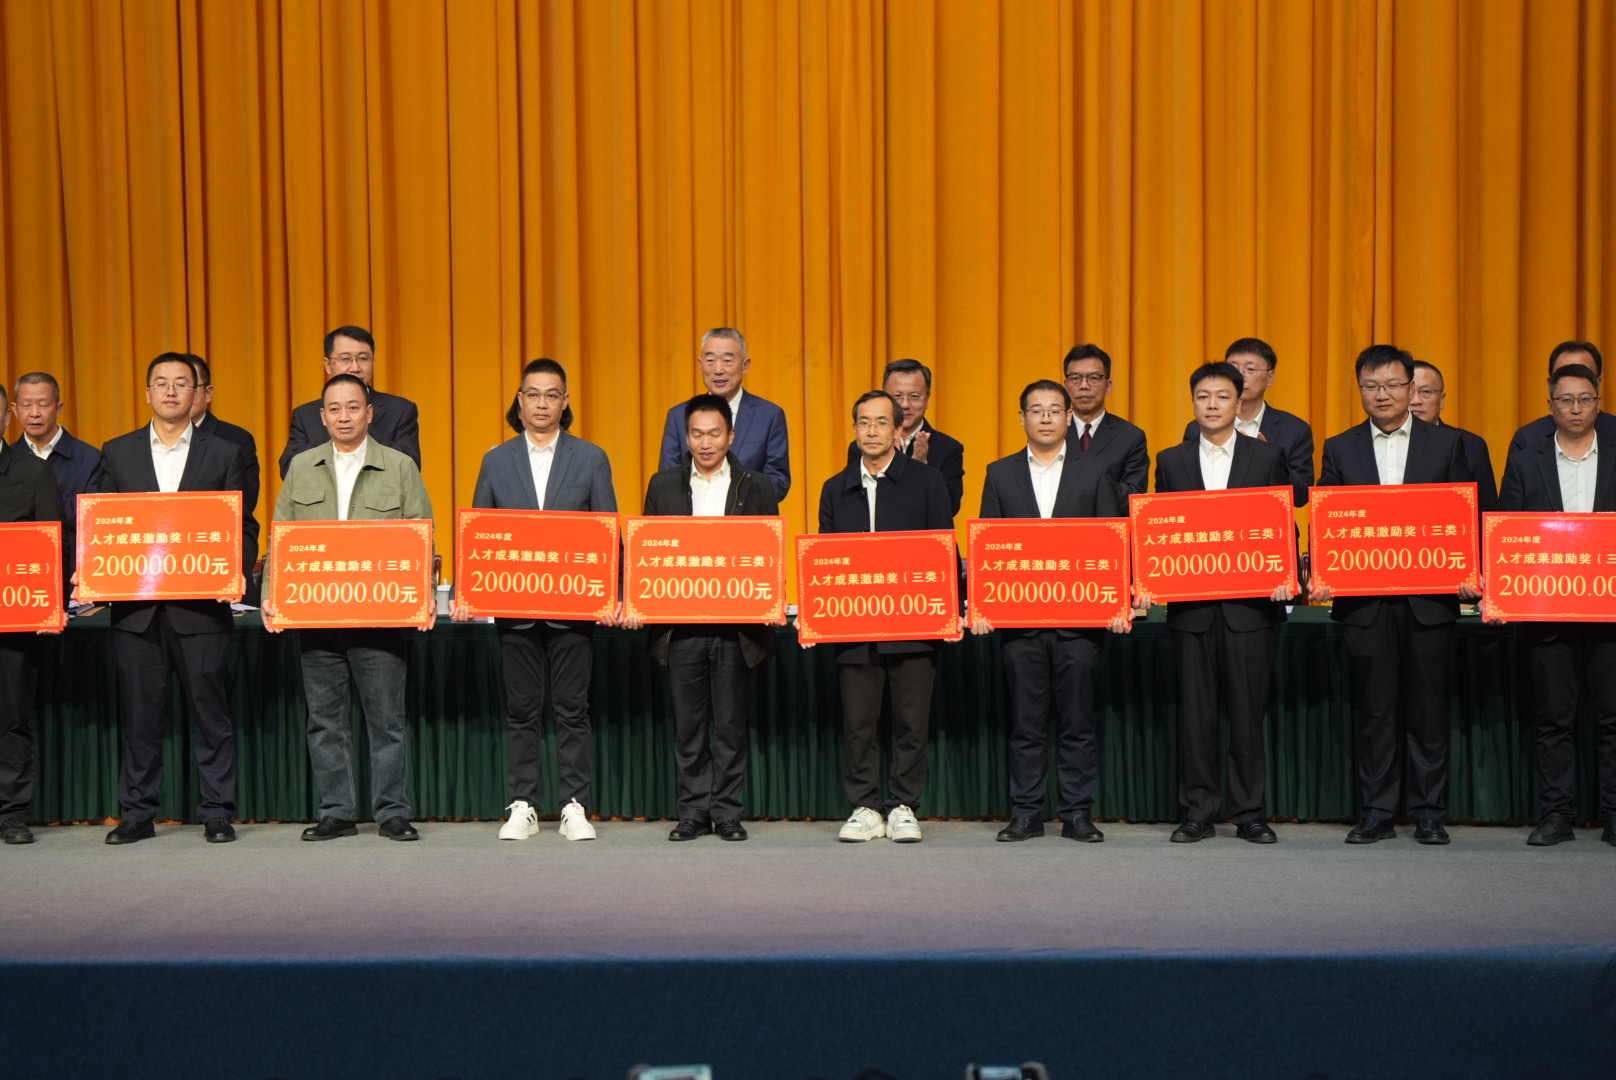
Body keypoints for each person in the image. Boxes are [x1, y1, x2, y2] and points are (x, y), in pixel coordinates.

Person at [1315, 344, 1479, 845]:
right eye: (1371, 386)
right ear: (1360, 390)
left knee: (1428, 710)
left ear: (1412, 389)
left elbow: (1467, 518)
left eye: (1391, 385)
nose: (1381, 395)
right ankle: (1377, 812)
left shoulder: (1447, 444)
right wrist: (1324, 570)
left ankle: (1429, 813)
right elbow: (1328, 522)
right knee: (1375, 712)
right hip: (1365, 606)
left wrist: (1470, 571)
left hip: (1429, 604)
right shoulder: (1340, 448)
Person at [454, 359, 617, 842]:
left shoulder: (591, 458)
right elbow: (479, 532)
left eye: (552, 394)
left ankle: (573, 805)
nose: (542, 403)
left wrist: (613, 593)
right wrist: (467, 592)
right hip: (516, 612)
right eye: (533, 394)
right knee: (522, 712)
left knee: (572, 710)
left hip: (574, 611)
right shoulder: (496, 460)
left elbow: (608, 531)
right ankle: (523, 804)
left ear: (565, 403)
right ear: (519, 402)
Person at [265, 373, 433, 842]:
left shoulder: (399, 466)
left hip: (380, 620)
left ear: (369, 413)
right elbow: (281, 538)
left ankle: (392, 812)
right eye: (335, 409)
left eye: (353, 407)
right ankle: (337, 812)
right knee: (324, 722)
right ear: (322, 417)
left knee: (387, 722)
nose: (344, 417)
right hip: (316, 618)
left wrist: (422, 596)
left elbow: (421, 537)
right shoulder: (301, 467)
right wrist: (272, 597)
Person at [92, 354, 247, 844]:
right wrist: (90, 566)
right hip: (136, 612)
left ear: (198, 392)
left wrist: (236, 569)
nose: (172, 391)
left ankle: (217, 811)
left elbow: (243, 526)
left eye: (182, 383)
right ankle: (137, 814)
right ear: (148, 394)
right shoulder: (118, 452)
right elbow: (101, 524)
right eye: (161, 383)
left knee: (211, 716)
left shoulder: (224, 452)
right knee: (140, 717)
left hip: (201, 611)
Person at [972, 379, 1129, 844]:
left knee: (1078, 722)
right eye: (1036, 410)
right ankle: (1026, 812)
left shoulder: (1096, 471)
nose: (1045, 417)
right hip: (1019, 624)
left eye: (1054, 410)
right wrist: (982, 604)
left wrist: (1117, 601)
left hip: (1080, 624)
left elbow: (1111, 540)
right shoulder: (999, 473)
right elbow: (988, 546)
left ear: (1068, 418)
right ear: (1021, 417)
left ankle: (1077, 812)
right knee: (1026, 723)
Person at [627, 393, 782, 842]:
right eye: (697, 434)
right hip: (681, 628)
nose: (706, 442)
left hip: (737, 628)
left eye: (715, 433)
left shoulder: (757, 486)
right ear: (686, 437)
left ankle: (728, 812)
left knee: (731, 724)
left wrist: (771, 596)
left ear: (731, 436)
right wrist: (638, 600)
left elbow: (767, 555)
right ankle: (693, 811)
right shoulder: (663, 485)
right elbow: (650, 554)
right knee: (689, 726)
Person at [1150, 363, 1292, 843]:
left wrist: (1284, 574)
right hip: (1191, 611)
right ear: (1192, 402)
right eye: (1203, 396)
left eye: (1222, 396)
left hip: (1249, 611)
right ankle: (1198, 811)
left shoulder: (1267, 457)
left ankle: (1249, 813)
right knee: (1197, 715)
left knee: (1248, 714)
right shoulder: (1171, 461)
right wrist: (1149, 577)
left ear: (1240, 401)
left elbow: (1281, 524)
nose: (1212, 405)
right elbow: (1161, 531)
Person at [816, 390, 954, 843]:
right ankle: (864, 806)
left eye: (881, 422)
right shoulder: (836, 487)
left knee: (911, 723)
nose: (871, 431)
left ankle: (903, 806)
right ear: (854, 429)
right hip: (854, 625)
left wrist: (947, 609)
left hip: (914, 624)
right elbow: (826, 560)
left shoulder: (926, 481)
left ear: (899, 429)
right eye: (863, 422)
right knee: (859, 724)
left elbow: (943, 548)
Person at [1496, 362, 1616, 848]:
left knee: (1613, 719)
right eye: (1565, 400)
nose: (1576, 409)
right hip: (1547, 611)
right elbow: (1507, 531)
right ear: (1550, 406)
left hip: (1610, 616)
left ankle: (1614, 815)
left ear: (1598, 403)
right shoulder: (1528, 461)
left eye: (1585, 399)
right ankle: (1556, 815)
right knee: (1553, 721)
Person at [0, 383, 66, 845]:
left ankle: (12, 812)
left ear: (6, 416)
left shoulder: (32, 471)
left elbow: (51, 544)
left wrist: (48, 603)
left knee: (10, 719)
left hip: (12, 621)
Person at [1180, 337, 1315, 507]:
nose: (1240, 376)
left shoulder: (1294, 429)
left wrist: (1271, 459)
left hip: (1267, 521)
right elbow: (1186, 489)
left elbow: (1302, 497)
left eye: (1250, 369)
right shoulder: (1197, 428)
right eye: (1233, 368)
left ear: (1270, 377)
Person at [657, 328, 790, 500]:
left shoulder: (769, 415)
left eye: (727, 361)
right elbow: (666, 484)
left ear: (745, 365)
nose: (718, 370)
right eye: (710, 361)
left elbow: (778, 483)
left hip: (748, 516)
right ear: (700, 364)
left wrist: (726, 491)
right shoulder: (678, 416)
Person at [278, 325, 421, 478]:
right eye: (345, 359)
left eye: (363, 358)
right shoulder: (305, 414)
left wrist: (360, 430)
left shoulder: (400, 410)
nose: (355, 368)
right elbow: (288, 470)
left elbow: (411, 467)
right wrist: (337, 433)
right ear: (328, 365)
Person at [10, 372, 100, 602]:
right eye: (26, 405)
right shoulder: (6, 461)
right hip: (18, 581)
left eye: (43, 404)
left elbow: (93, 521)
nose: (34, 413)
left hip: (76, 583)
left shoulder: (91, 459)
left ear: (58, 408)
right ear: (14, 409)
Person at [842, 359, 965, 516]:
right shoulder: (864, 446)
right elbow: (852, 504)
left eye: (914, 396)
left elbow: (948, 509)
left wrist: (921, 471)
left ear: (927, 399)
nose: (905, 405)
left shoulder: (948, 448)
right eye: (897, 396)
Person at [186, 354, 263, 604]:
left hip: (217, 567)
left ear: (208, 393)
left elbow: (242, 509)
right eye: (166, 385)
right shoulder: (136, 446)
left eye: (187, 386)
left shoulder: (236, 441)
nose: (176, 393)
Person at [1409, 359, 1499, 512]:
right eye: (1409, 392)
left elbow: (1486, 513)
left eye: (1426, 392)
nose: (1416, 401)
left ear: (1442, 400)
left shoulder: (1470, 444)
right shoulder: (1386, 442)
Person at [1062, 344, 1149, 503]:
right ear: (1065, 386)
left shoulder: (1131, 437)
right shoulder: (1051, 431)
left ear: (1108, 386)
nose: (1084, 386)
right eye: (1075, 378)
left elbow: (1134, 497)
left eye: (1094, 378)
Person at [1508, 341, 1616, 452]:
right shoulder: (1527, 439)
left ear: (1598, 383)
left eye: (1583, 373)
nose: (1573, 382)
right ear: (1550, 383)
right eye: (1563, 374)